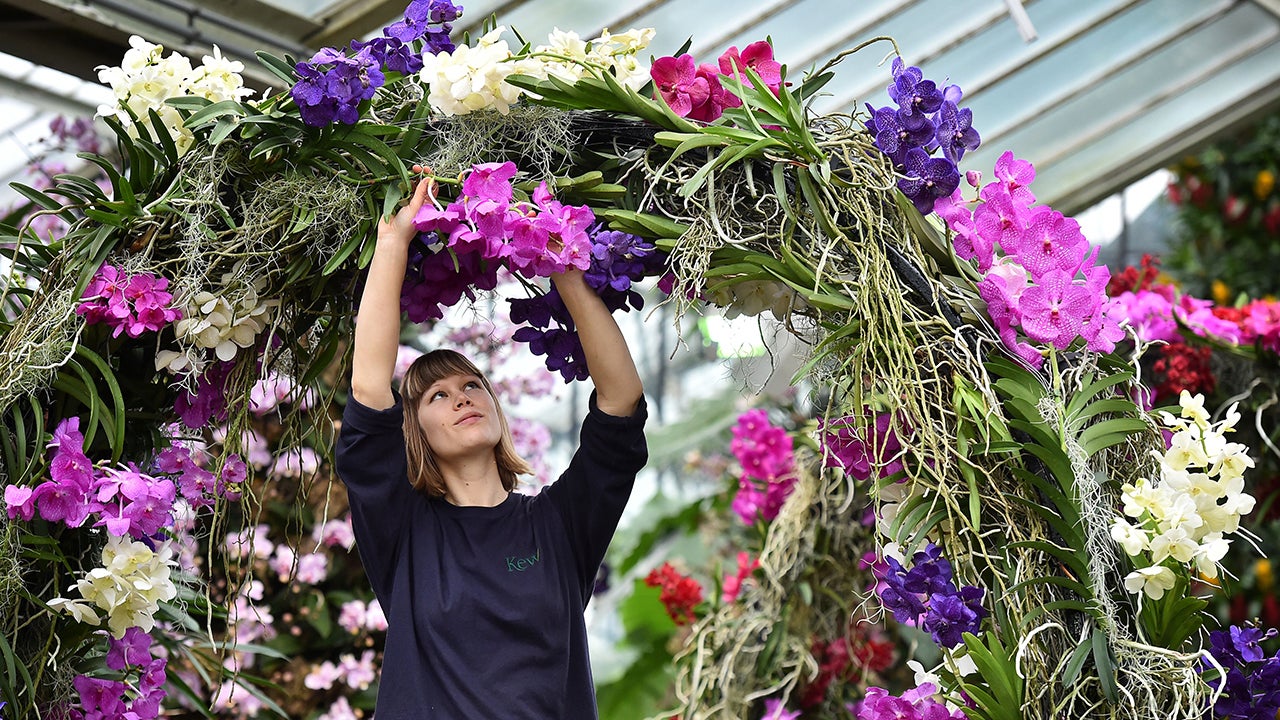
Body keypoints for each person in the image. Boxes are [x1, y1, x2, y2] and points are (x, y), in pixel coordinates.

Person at [334, 167, 647, 719]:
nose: (461, 397)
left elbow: (619, 404)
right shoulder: (404, 529)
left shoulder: (558, 525)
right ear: (416, 433)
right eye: (436, 396)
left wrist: (564, 265)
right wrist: (394, 241)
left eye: (472, 385)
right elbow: (367, 389)